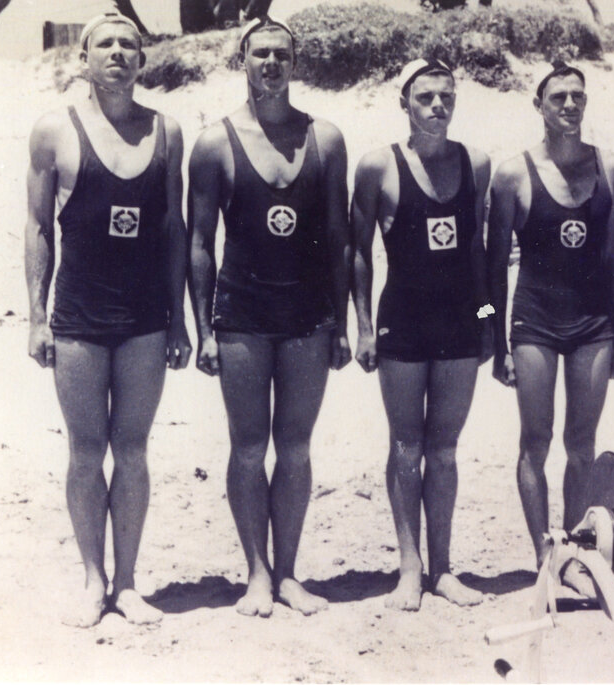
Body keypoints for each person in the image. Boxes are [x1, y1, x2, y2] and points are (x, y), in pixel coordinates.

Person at [24, 13, 192, 627]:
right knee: (86, 450)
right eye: (106, 44)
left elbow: (174, 230)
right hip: (78, 317)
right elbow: (38, 227)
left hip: (145, 318)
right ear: (85, 57)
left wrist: (178, 320)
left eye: (130, 45)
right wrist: (36, 318)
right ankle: (92, 579)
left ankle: (127, 582)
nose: (118, 53)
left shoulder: (167, 132)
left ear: (142, 61)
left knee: (134, 448)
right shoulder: (54, 132)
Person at [187, 16, 351, 617]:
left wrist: (344, 321)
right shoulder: (214, 143)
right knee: (249, 447)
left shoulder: (326, 139)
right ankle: (256, 571)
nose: (272, 64)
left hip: (309, 316)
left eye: (283, 54)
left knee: (297, 448)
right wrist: (203, 328)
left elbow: (339, 239)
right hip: (243, 315)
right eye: (261, 55)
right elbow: (199, 243)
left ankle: (288, 573)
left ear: (296, 63)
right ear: (244, 62)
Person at [351, 58, 491, 611]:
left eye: (446, 97)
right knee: (406, 447)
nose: (438, 106)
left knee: (446, 450)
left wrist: (486, 327)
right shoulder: (377, 167)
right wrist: (364, 327)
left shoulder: (475, 163)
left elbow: (481, 259)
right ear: (404, 103)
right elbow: (356, 252)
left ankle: (444, 568)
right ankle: (410, 567)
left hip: (460, 323)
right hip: (402, 323)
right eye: (426, 97)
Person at [488, 62, 614, 582]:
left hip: (592, 325)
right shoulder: (513, 174)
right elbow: (491, 272)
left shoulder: (609, 166)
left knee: (582, 442)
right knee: (536, 441)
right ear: (539, 105)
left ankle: (574, 549)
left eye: (577, 96)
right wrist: (493, 334)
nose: (570, 105)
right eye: (558, 97)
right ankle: (543, 552)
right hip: (533, 323)